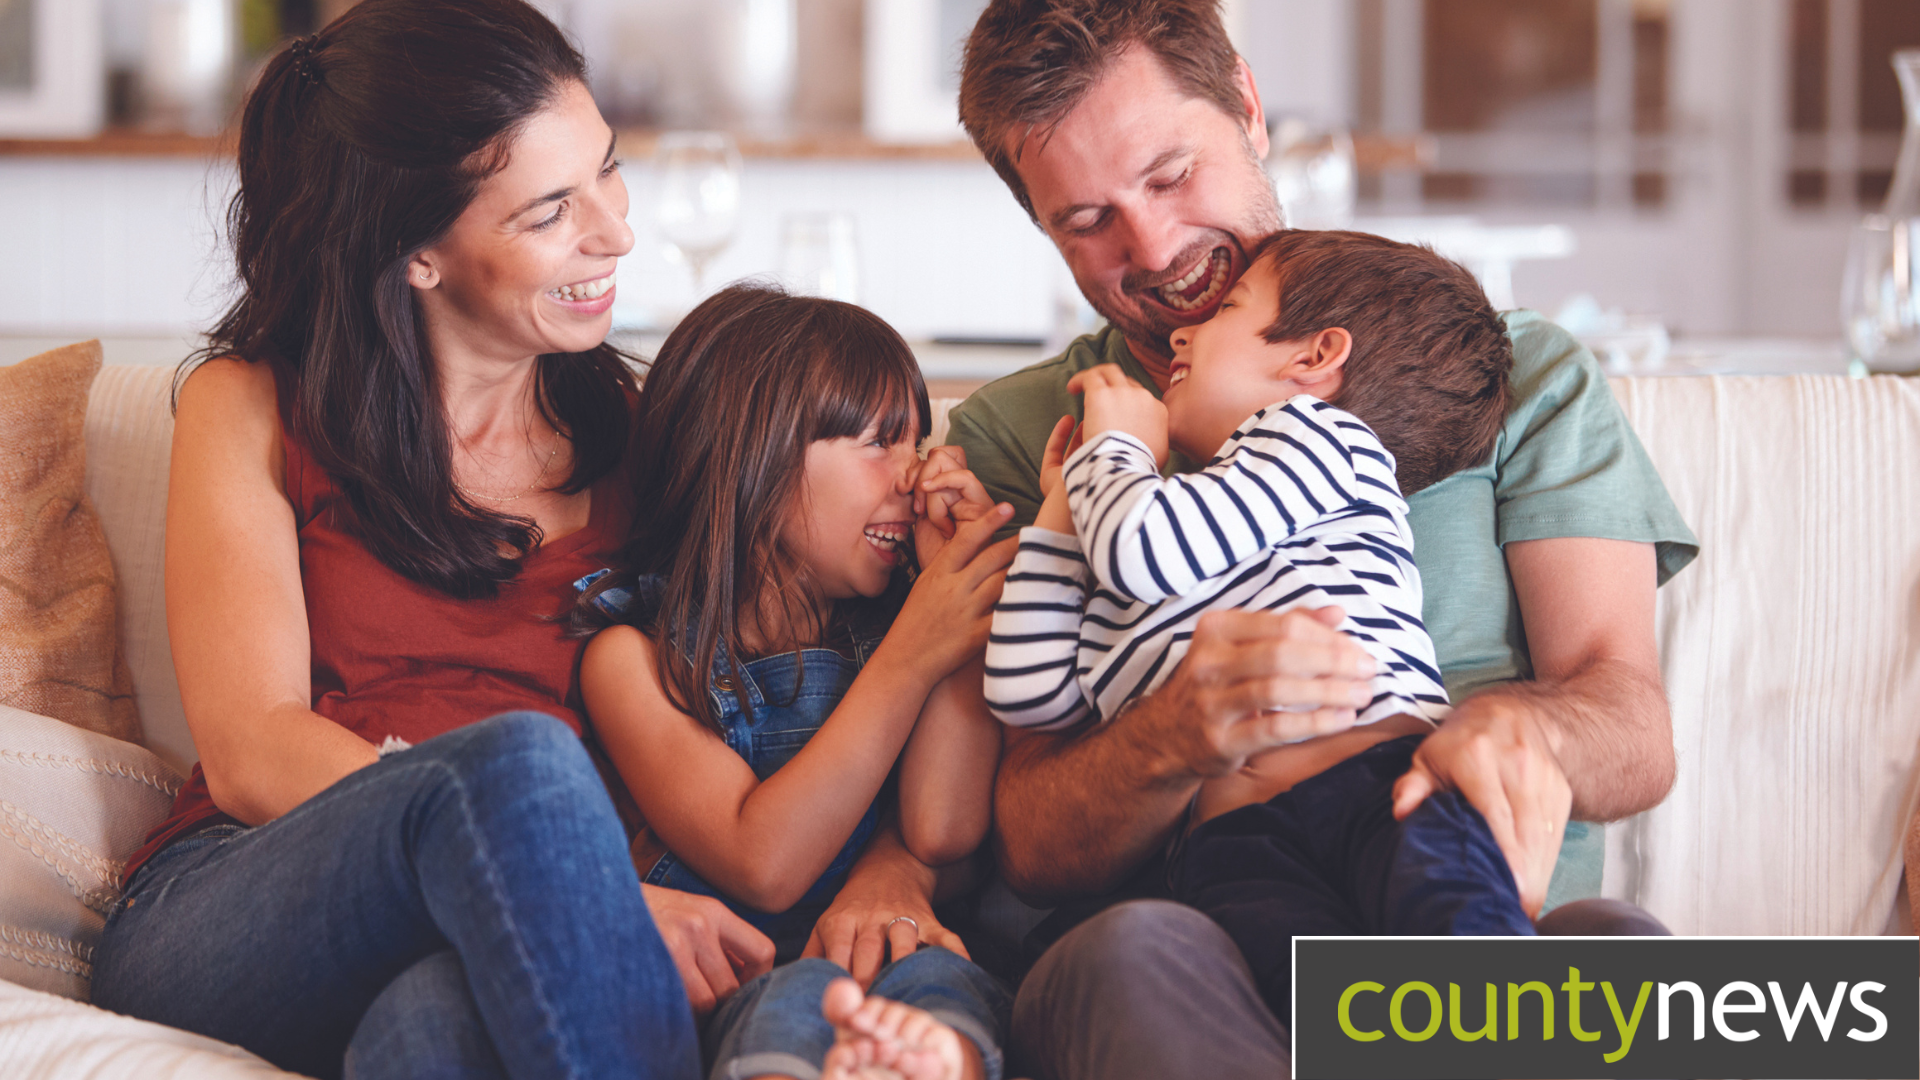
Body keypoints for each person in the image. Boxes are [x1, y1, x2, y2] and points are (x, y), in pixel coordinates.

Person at [950, 3, 1699, 1077]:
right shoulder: (1039, 433)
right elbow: (1030, 835)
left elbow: (1629, 718)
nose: (1154, 250)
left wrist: (1514, 734)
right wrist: (1174, 733)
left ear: (1247, 107)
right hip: (1197, 944)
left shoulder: (1500, 374)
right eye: (1086, 220)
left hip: (1448, 891)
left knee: (1624, 953)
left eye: (1170, 176)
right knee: (1126, 952)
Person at [89, 3, 774, 1077]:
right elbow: (253, 749)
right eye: (552, 210)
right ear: (416, 253)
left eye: (608, 170)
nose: (616, 231)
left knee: (431, 1031)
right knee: (518, 765)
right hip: (246, 895)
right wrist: (582, 884)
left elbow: (800, 676)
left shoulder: (652, 437)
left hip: (503, 928)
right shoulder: (252, 405)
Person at [986, 229, 1534, 1022]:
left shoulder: (1323, 438)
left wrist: (1112, 452)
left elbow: (1146, 551)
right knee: (1304, 1025)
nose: (1181, 331)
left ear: (1314, 360)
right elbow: (1027, 695)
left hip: (1383, 797)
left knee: (1476, 992)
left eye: (1228, 310)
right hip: (1231, 847)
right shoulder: (1151, 518)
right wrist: (1061, 517)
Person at [575, 283, 1017, 1080]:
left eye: (917, 444)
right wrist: (913, 655)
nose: (913, 476)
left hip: (899, 950)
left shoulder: (892, 629)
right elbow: (765, 862)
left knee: (943, 985)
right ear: (757, 454)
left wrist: (952, 610)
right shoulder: (635, 663)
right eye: (881, 444)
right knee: (802, 995)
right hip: (752, 977)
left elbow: (942, 831)